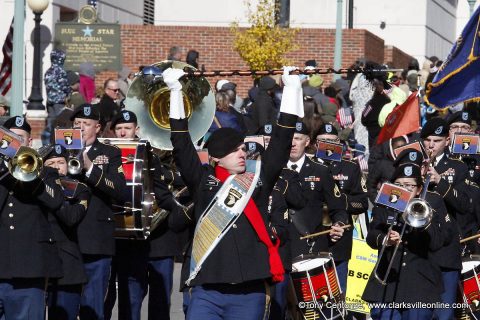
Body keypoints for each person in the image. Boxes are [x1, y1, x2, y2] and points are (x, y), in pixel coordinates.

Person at [164, 66, 304, 319]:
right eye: (234, 150)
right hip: (208, 290)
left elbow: (282, 141)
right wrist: (175, 92)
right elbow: (181, 141)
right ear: (216, 157)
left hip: (249, 289)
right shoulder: (202, 182)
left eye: (243, 148)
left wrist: (292, 90)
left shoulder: (257, 181)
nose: (243, 153)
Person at [107, 110, 184, 320]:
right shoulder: (106, 156)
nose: (123, 133)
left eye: (128, 128)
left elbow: (166, 189)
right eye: (119, 129)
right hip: (127, 238)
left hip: (160, 239)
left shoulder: (152, 153)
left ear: (137, 130)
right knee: (129, 300)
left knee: (160, 301)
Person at [362, 163, 448, 320]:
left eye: (409, 185)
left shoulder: (433, 203)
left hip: (420, 282)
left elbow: (437, 243)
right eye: (399, 185)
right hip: (387, 279)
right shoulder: (385, 203)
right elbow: (371, 235)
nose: (405, 189)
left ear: (419, 189)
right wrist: (385, 240)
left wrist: (422, 219)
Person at [0, 116, 64, 320]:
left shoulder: (45, 172)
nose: (15, 144)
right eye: (11, 139)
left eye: (21, 138)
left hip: (29, 268)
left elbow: (56, 201)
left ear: (28, 142)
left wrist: (31, 176)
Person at [70, 104, 127, 320]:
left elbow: (121, 190)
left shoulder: (110, 153)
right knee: (64, 303)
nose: (81, 127)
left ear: (98, 127)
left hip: (96, 239)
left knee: (93, 306)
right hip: (68, 238)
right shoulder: (59, 150)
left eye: (86, 124)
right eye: (77, 124)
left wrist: (91, 168)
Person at [420, 117, 473, 320]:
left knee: (444, 313)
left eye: (437, 140)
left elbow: (465, 205)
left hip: (446, 249)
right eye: (428, 140)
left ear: (447, 141)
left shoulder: (457, 167)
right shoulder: (412, 164)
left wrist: (440, 182)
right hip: (419, 251)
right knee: (418, 311)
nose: (431, 145)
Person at [313, 123, 369, 294]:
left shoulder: (350, 168)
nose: (327, 145)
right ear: (315, 144)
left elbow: (363, 202)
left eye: (331, 141)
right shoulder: (307, 166)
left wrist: (338, 200)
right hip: (313, 239)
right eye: (322, 141)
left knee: (339, 293)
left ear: (339, 142)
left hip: (340, 240)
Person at [286, 122, 348, 257]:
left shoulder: (321, 170)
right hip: (281, 247)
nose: (292, 143)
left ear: (307, 141)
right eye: (289, 138)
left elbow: (338, 208)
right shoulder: (274, 170)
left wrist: (338, 224)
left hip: (310, 247)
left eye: (298, 139)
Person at [44, 144, 91, 320]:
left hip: (67, 266)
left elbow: (71, 217)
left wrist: (51, 190)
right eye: (51, 163)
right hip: (39, 262)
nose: (56, 167)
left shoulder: (79, 189)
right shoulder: (35, 186)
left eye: (60, 162)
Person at [43, 49, 71, 144]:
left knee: (50, 123)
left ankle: (47, 142)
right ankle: (59, 143)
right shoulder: (61, 71)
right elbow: (65, 87)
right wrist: (68, 94)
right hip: (59, 102)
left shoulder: (48, 71)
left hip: (50, 101)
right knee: (60, 123)